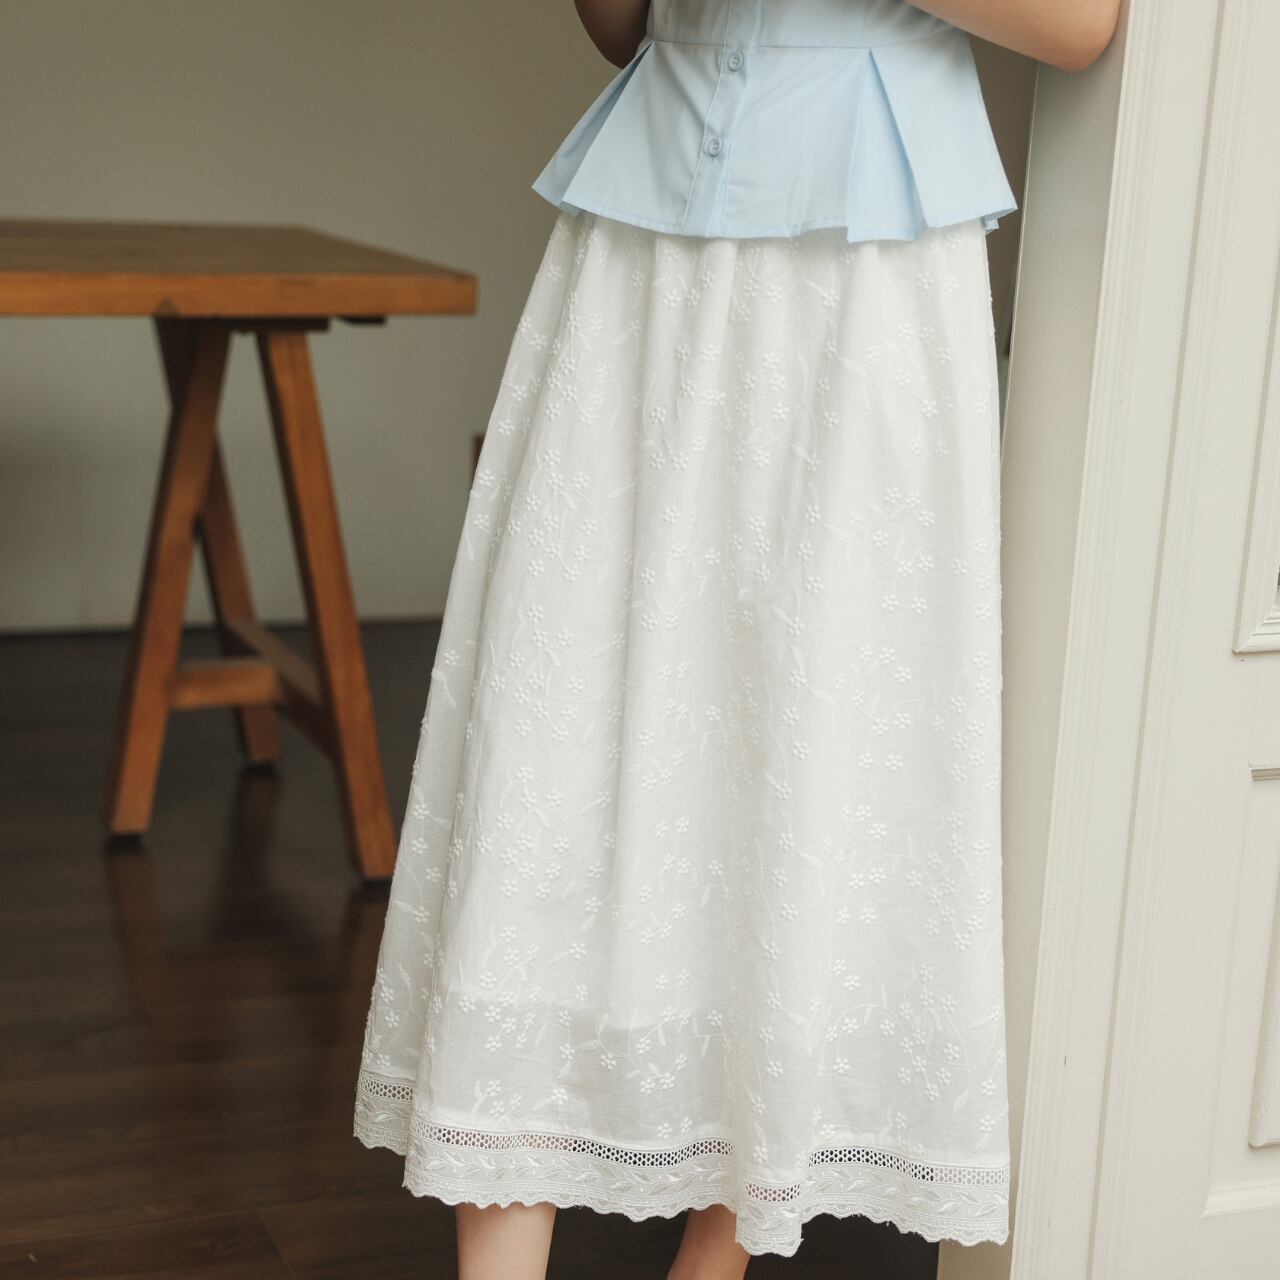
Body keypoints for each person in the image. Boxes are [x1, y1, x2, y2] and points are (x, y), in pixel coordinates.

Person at [354, 2, 1122, 1277]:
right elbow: (618, 26)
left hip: (862, 274)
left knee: (802, 733)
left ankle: (714, 1261)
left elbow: (1079, 24)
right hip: (636, 250)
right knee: (546, 729)